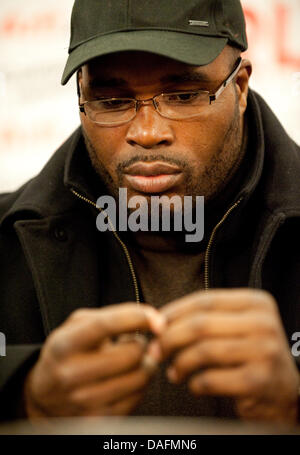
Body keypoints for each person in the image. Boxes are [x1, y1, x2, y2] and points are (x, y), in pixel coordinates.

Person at [0, 0, 299, 424]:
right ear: (81, 97)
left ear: (241, 87)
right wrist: (22, 398)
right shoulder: (6, 240)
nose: (147, 133)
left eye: (183, 95)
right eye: (111, 101)